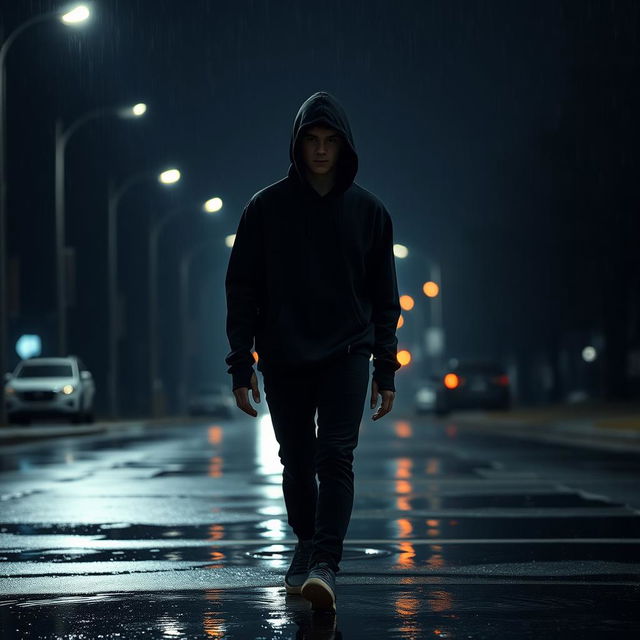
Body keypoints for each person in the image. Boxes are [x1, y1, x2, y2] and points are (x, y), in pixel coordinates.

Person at [224, 90, 401, 612]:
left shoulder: (370, 212)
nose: (321, 150)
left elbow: (385, 297)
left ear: (344, 147)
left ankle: (326, 561)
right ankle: (305, 545)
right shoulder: (265, 209)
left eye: (330, 141)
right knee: (296, 462)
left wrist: (385, 370)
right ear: (297, 146)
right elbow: (242, 289)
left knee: (335, 458)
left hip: (348, 353)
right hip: (284, 355)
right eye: (312, 141)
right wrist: (242, 362)